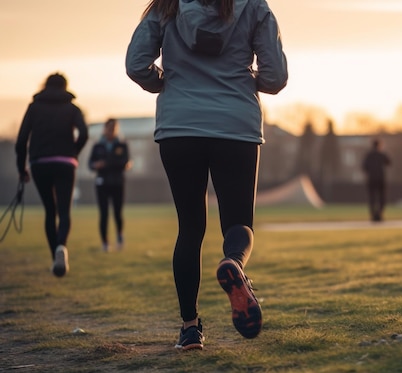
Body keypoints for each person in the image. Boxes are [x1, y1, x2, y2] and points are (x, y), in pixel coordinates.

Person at [126, 0, 288, 350]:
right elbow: (276, 78)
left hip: (179, 126)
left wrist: (166, 83)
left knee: (189, 228)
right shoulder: (254, 7)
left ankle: (189, 328)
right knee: (238, 222)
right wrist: (245, 80)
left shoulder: (167, 6)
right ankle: (233, 263)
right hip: (236, 126)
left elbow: (136, 64)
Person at [15, 72, 88, 277]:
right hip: (65, 163)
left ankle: (54, 256)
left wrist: (22, 169)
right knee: (64, 211)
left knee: (50, 210)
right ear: (65, 87)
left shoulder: (34, 107)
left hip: (40, 163)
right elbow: (84, 133)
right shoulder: (73, 108)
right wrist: (74, 152)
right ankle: (61, 249)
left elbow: (21, 142)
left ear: (45, 86)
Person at [88, 118, 131, 252]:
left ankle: (119, 236)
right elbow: (90, 164)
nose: (111, 130)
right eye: (109, 127)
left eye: (114, 127)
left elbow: (124, 162)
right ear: (105, 128)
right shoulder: (97, 146)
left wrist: (105, 163)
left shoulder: (122, 145)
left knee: (118, 212)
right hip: (102, 184)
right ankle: (105, 243)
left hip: (118, 183)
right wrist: (97, 165)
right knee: (104, 213)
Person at [362, 138, 391, 222]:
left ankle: (373, 214)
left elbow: (364, 167)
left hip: (371, 179)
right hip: (380, 179)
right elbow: (389, 162)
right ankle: (380, 213)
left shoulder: (368, 155)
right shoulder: (381, 154)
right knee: (382, 197)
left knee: (372, 197)